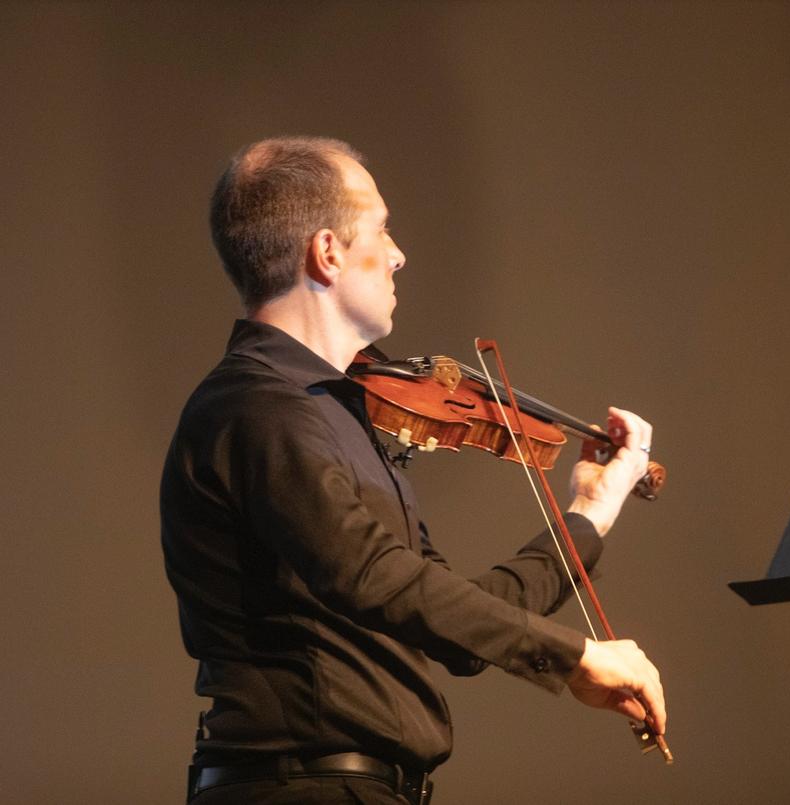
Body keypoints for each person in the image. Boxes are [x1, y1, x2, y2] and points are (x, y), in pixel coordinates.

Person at [161, 136, 666, 804]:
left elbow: (453, 621)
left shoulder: (337, 414)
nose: (399, 253)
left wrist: (590, 513)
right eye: (381, 228)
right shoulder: (256, 405)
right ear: (327, 251)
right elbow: (373, 575)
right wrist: (574, 656)